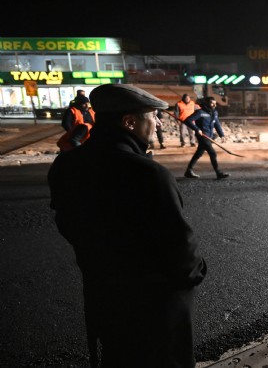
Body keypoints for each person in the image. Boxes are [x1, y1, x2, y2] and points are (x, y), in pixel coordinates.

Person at [48, 84, 207, 368]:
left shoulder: (65, 165)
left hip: (104, 296)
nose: (158, 122)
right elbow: (181, 249)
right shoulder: (147, 173)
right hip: (156, 306)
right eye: (153, 116)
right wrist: (197, 272)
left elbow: (66, 223)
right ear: (129, 121)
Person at [183, 96, 230, 180]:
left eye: (215, 103)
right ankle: (218, 173)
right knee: (212, 153)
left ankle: (188, 171)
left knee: (199, 153)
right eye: (212, 103)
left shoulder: (214, 113)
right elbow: (187, 120)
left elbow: (217, 124)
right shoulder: (200, 112)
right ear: (207, 103)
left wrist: (222, 135)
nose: (214, 105)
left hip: (210, 136)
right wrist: (197, 129)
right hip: (202, 136)